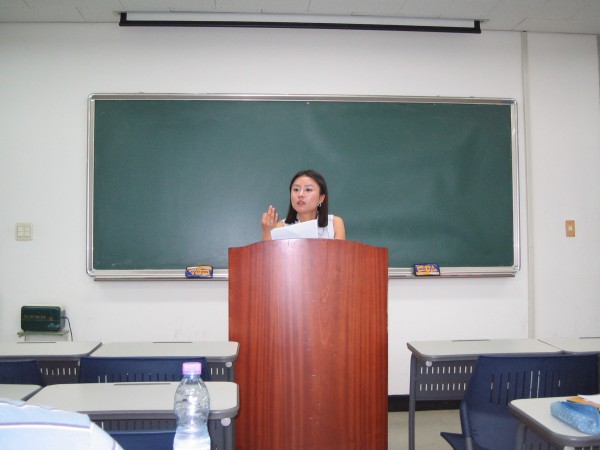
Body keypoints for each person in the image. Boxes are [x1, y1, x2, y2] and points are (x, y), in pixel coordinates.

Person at [261, 169, 346, 241]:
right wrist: (267, 232)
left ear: (321, 198)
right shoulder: (281, 227)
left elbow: (341, 255)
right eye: (296, 189)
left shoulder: (334, 224)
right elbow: (269, 255)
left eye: (308, 189)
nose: (300, 194)